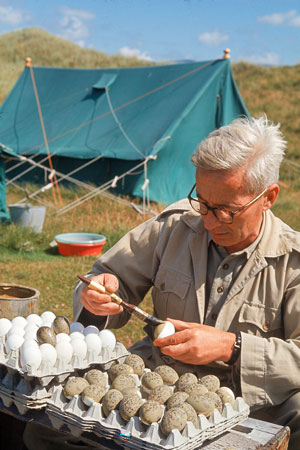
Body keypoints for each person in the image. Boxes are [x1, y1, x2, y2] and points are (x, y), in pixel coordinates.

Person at [72, 115, 300, 449]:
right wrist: (98, 296)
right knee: (49, 427)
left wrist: (232, 347)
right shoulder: (174, 226)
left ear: (268, 197)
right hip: (156, 387)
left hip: (251, 406)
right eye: (203, 201)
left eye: (226, 210)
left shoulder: (293, 261)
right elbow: (109, 279)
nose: (208, 220)